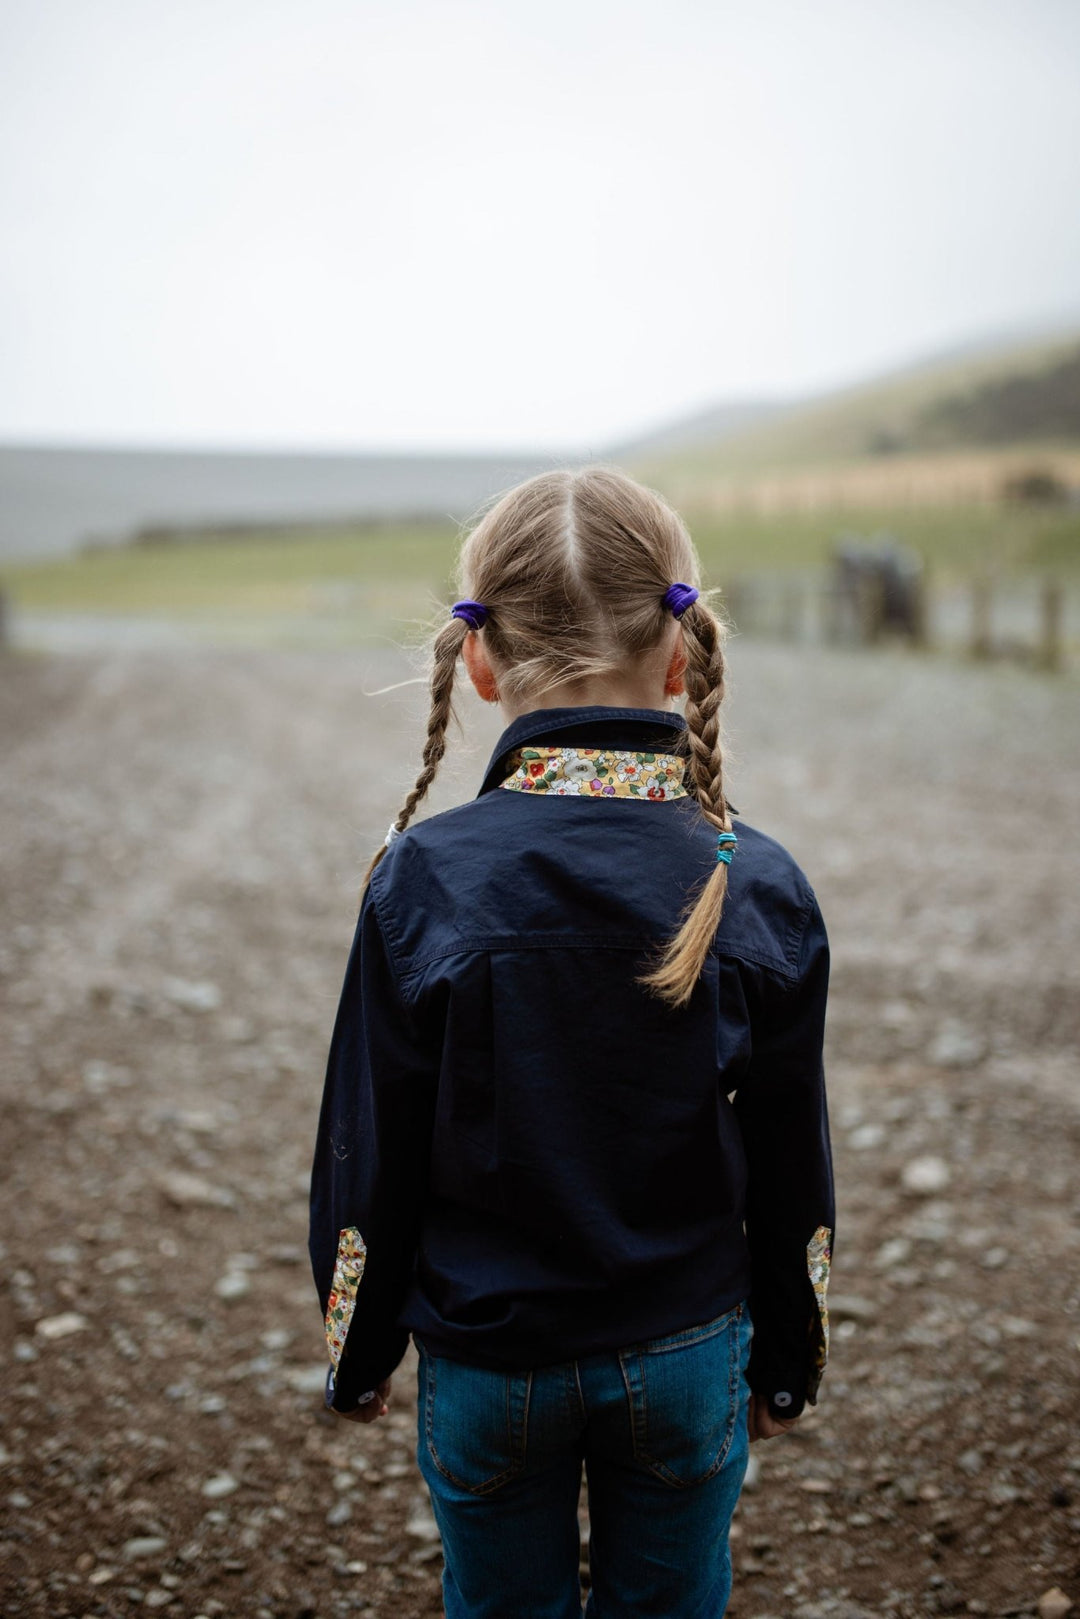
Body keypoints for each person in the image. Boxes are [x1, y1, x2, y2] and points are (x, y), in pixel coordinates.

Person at [309, 465, 834, 1619]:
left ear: (483, 662)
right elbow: (796, 1157)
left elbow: (370, 1141)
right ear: (681, 653)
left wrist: (357, 1351)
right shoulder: (759, 879)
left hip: (491, 1364)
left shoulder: (424, 878)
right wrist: (787, 1362)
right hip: (689, 1353)